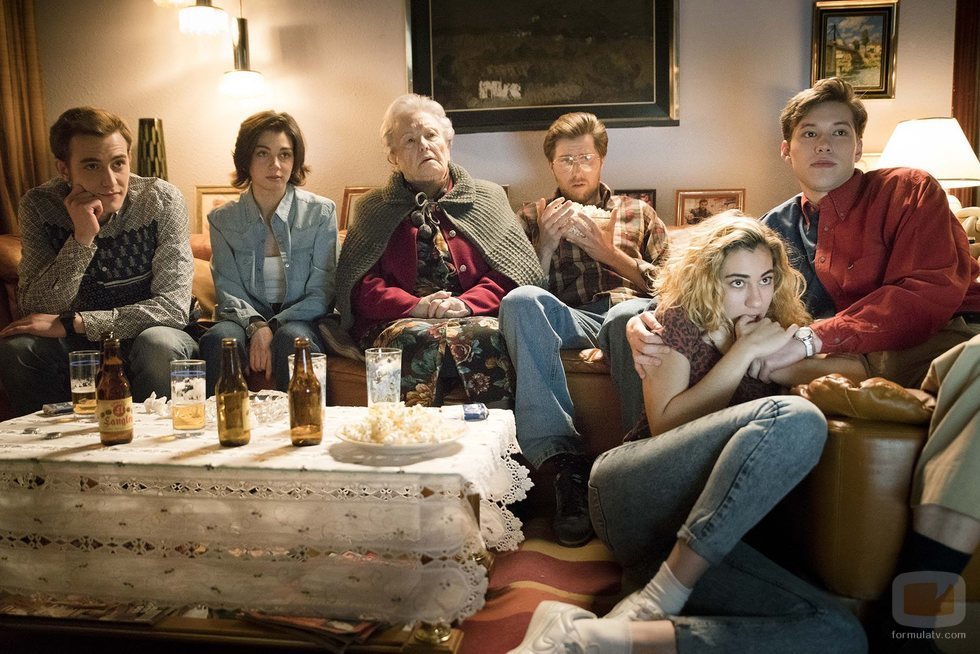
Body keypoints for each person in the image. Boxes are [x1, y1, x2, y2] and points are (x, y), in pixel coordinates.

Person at [627, 77, 980, 648]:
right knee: (757, 370)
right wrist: (642, 320)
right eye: (809, 134)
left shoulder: (908, 189)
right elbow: (713, 287)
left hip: (934, 341)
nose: (825, 144)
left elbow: (924, 296)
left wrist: (812, 340)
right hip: (829, 362)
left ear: (858, 145)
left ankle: (912, 618)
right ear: (785, 149)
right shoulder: (774, 227)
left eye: (839, 132)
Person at [509, 214, 866, 654]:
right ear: (709, 281)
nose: (756, 297)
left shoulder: (778, 327)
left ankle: (597, 636)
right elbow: (667, 425)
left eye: (766, 279)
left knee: (841, 634)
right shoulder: (678, 321)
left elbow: (857, 369)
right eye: (738, 282)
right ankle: (662, 596)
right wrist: (742, 354)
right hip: (635, 493)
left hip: (701, 533)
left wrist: (782, 362)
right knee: (797, 417)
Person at [497, 112, 669, 547]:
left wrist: (610, 254)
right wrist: (545, 245)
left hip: (624, 311)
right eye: (566, 160)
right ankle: (564, 465)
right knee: (518, 302)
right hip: (566, 318)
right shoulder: (531, 216)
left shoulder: (637, 212)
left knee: (625, 318)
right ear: (552, 166)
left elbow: (674, 287)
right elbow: (510, 291)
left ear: (601, 161)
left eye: (586, 158)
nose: (577, 170)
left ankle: (638, 460)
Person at [334, 94, 541, 407]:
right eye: (409, 140)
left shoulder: (488, 197)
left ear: (448, 141)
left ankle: (494, 433)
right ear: (393, 156)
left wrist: (466, 304)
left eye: (431, 135)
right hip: (400, 320)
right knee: (413, 338)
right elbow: (359, 287)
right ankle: (413, 434)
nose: (424, 146)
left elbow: (514, 273)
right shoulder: (373, 207)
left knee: (484, 336)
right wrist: (415, 306)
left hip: (474, 316)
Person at [0, 107, 197, 414]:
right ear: (64, 169)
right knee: (18, 349)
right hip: (78, 346)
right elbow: (35, 308)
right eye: (92, 166)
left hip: (150, 334)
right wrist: (81, 238)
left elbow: (172, 308)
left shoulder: (162, 199)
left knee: (157, 344)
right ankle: (48, 441)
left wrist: (76, 323)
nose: (110, 181)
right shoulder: (39, 205)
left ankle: (153, 440)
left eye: (118, 163)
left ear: (129, 157)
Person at [200, 111, 336, 395]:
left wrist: (272, 326)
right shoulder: (222, 220)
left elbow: (321, 292)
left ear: (294, 160)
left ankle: (304, 419)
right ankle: (221, 419)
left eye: (285, 155)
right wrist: (256, 326)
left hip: (301, 320)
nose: (276, 165)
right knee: (220, 339)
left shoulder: (321, 213)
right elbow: (228, 290)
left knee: (293, 338)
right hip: (242, 320)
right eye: (263, 153)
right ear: (246, 159)